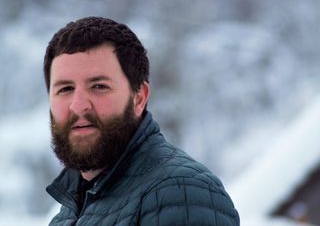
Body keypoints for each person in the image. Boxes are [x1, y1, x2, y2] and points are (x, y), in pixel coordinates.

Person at [44, 17, 240, 225]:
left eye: (99, 86)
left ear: (139, 97)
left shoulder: (181, 193)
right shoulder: (69, 213)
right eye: (65, 89)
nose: (78, 105)